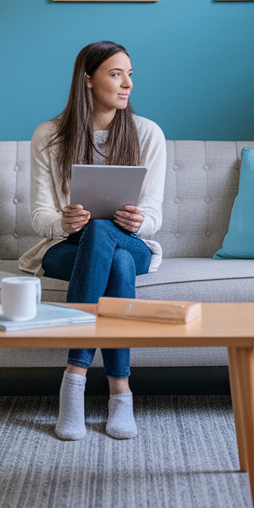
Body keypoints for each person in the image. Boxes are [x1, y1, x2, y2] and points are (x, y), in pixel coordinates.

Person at [18, 40, 166, 440]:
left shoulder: (147, 133)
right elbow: (39, 215)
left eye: (130, 74)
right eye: (116, 74)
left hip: (132, 245)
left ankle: (74, 380)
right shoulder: (49, 135)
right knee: (111, 258)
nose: (127, 84)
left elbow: (153, 214)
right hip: (68, 248)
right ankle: (121, 392)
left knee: (109, 236)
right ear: (88, 80)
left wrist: (137, 221)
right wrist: (63, 222)